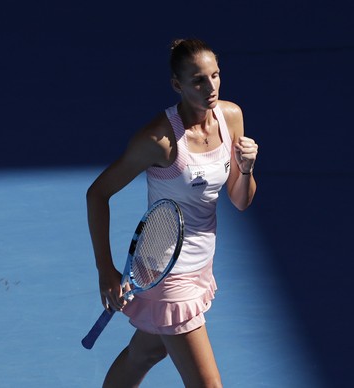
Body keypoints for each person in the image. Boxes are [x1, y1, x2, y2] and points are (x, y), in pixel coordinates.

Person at [86, 38, 258, 388]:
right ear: (177, 85)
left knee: (145, 354)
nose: (210, 87)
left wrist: (247, 168)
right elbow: (98, 193)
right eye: (198, 80)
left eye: (215, 76)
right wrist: (105, 269)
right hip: (165, 273)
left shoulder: (231, 117)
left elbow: (241, 200)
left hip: (200, 264)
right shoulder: (158, 140)